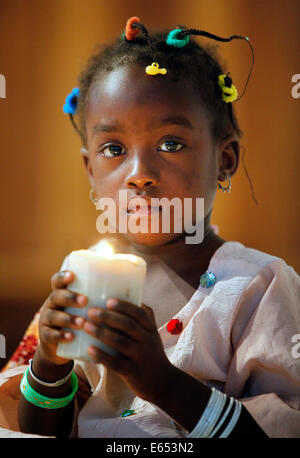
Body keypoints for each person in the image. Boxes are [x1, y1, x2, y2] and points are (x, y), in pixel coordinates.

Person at [2, 17, 300, 438]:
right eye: (114, 149)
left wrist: (161, 383)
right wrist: (50, 362)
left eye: (171, 144)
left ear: (225, 159)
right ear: (91, 171)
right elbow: (41, 430)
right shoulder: (83, 276)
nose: (139, 174)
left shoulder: (257, 286)